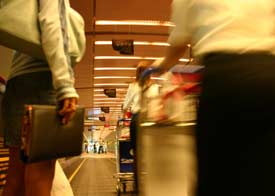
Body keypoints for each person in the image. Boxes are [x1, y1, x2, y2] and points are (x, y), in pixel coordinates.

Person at [153, 1, 275, 196]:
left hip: (224, 77)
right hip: (268, 76)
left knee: (216, 172)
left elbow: (178, 43)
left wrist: (162, 66)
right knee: (265, 170)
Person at [1, 1, 83, 196]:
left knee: (16, 178)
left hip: (17, 84)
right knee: (40, 175)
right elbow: (53, 24)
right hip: (43, 82)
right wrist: (65, 85)